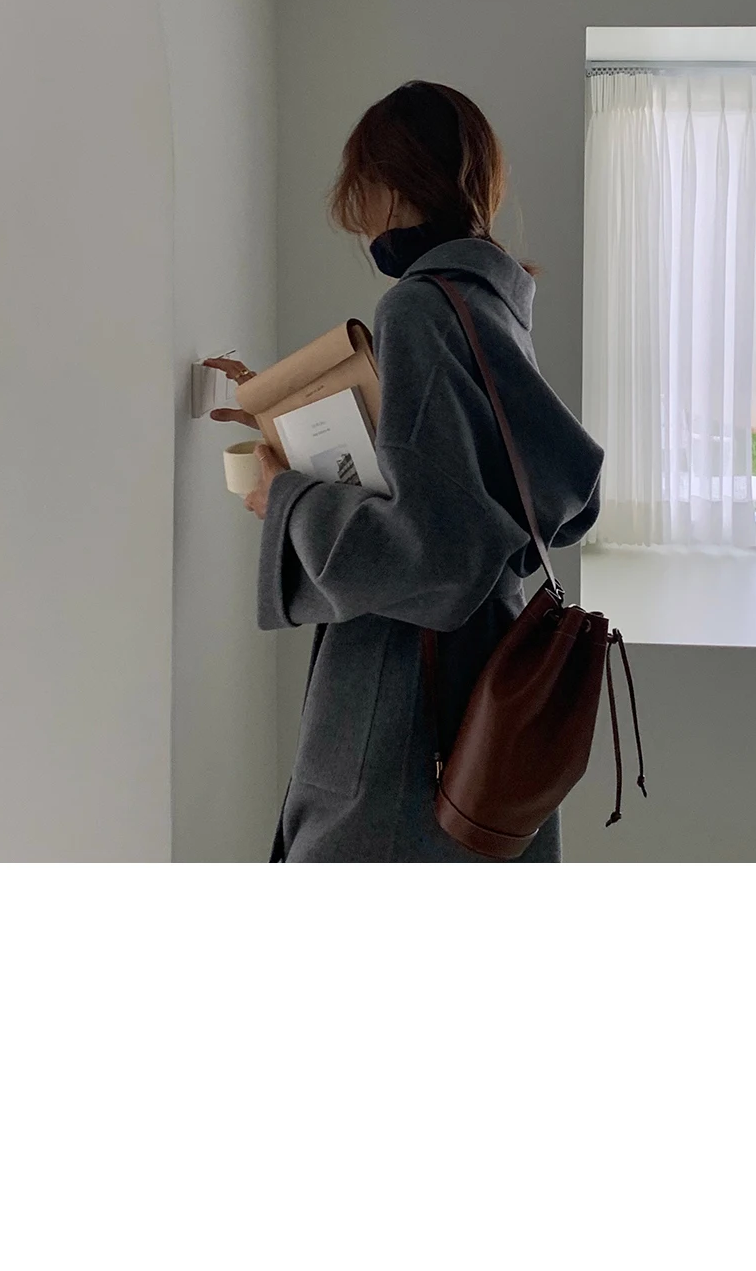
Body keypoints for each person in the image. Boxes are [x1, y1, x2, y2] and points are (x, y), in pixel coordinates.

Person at [209, 76, 603, 862]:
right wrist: (293, 420)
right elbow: (466, 486)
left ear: (391, 184)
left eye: (363, 190)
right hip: (484, 662)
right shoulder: (490, 301)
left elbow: (430, 550)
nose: (361, 220)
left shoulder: (419, 308)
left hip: (411, 689)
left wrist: (285, 497)